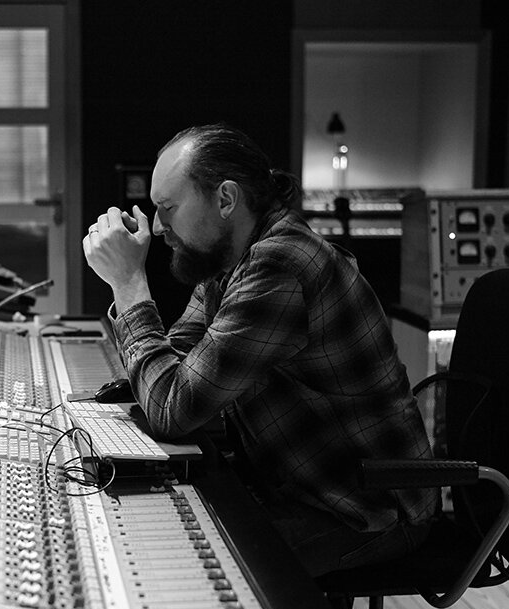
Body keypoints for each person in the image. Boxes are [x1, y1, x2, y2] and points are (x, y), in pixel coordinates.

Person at [82, 122, 439, 577]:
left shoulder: (279, 265)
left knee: (180, 573)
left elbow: (173, 409)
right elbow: (179, 370)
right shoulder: (229, 260)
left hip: (364, 509)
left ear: (226, 199)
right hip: (296, 486)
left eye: (167, 207)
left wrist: (129, 284)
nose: (157, 226)